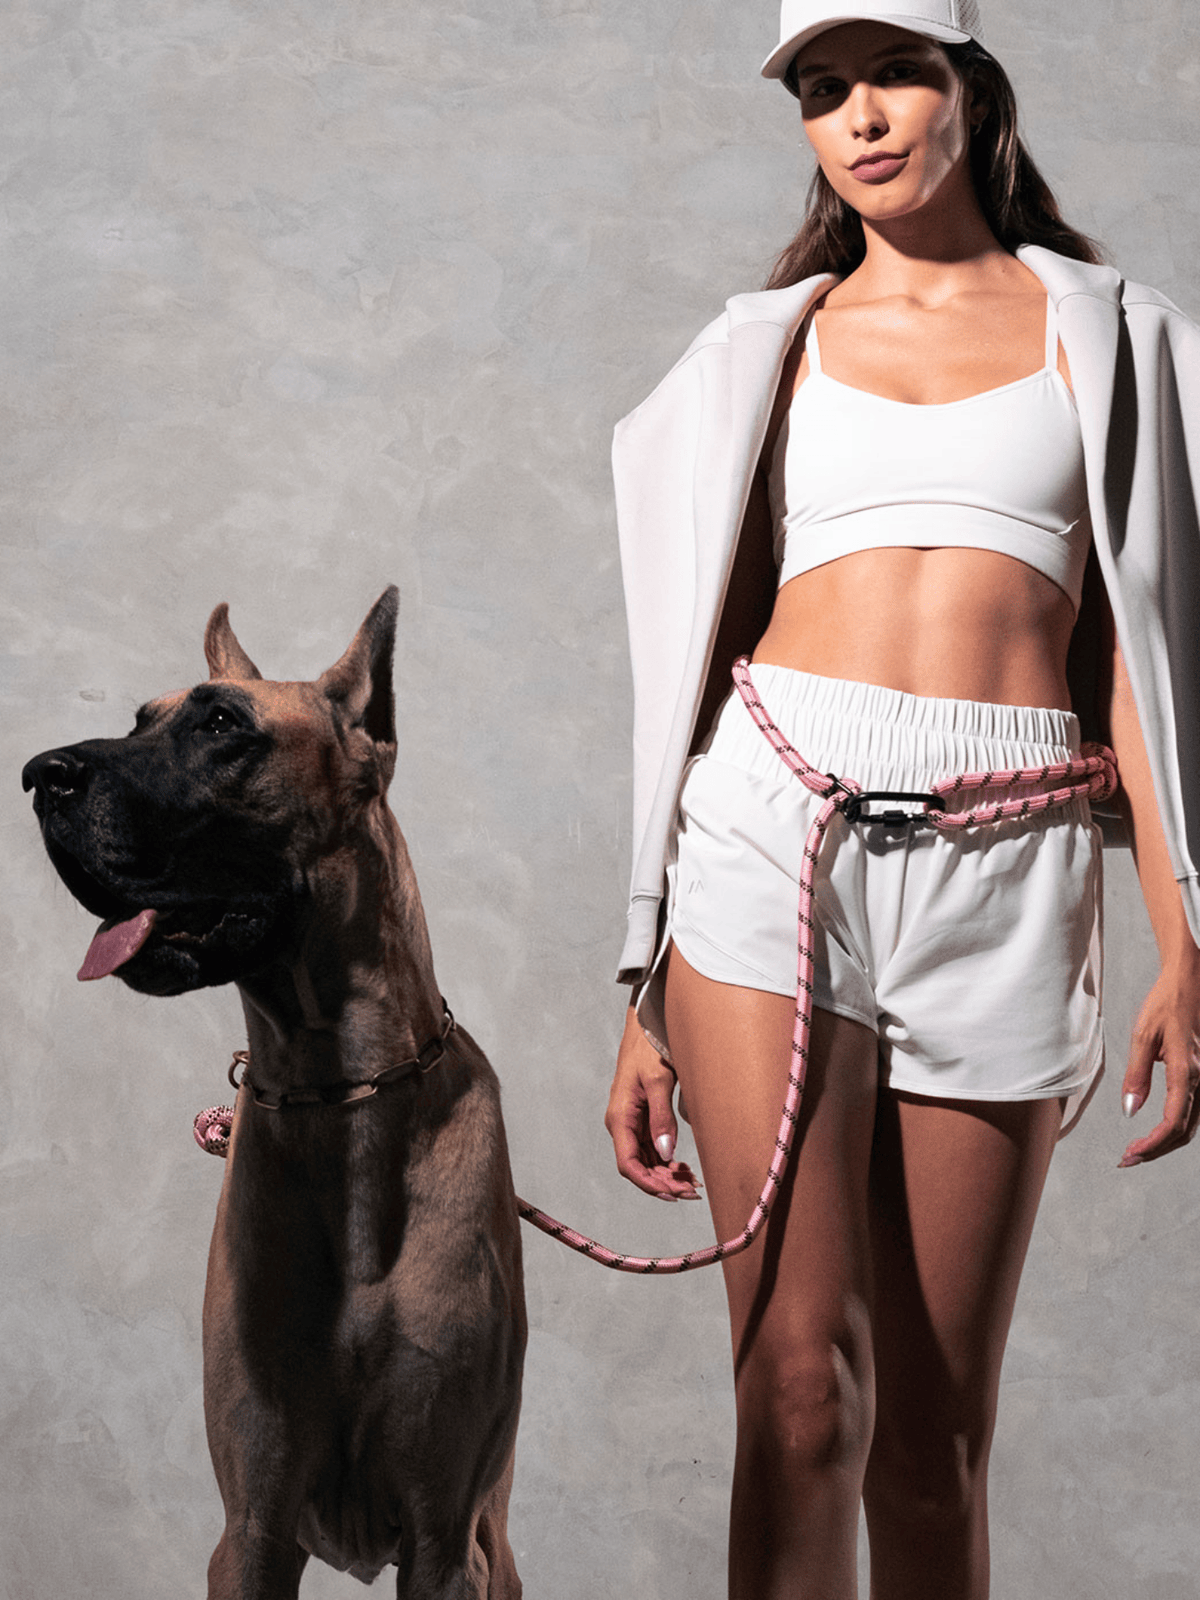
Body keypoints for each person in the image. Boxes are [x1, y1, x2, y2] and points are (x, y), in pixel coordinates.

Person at [603, 3, 1200, 1596]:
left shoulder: (1120, 336)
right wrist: (643, 978)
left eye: (890, 76)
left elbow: (1139, 655)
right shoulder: (763, 349)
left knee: (931, 1441)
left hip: (1007, 861)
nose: (855, 117)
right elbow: (696, 659)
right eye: (817, 89)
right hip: (769, 834)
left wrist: (1186, 938)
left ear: (969, 86)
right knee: (796, 1395)